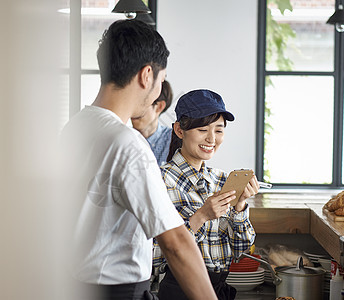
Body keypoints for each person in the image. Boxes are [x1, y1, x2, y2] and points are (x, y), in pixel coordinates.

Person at [60, 20, 217, 300]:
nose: (158, 90)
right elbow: (176, 243)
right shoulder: (128, 143)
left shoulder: (75, 127)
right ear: (147, 75)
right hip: (118, 291)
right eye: (161, 78)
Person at [153, 89, 260, 300]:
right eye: (203, 129)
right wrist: (201, 216)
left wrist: (240, 207)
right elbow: (153, 257)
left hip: (219, 290)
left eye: (219, 130)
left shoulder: (222, 180)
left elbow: (241, 250)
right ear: (179, 130)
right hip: (178, 291)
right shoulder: (159, 181)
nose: (212, 139)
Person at [131, 80, 173, 166]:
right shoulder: (123, 138)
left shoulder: (174, 140)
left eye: (141, 104)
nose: (134, 110)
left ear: (159, 107)